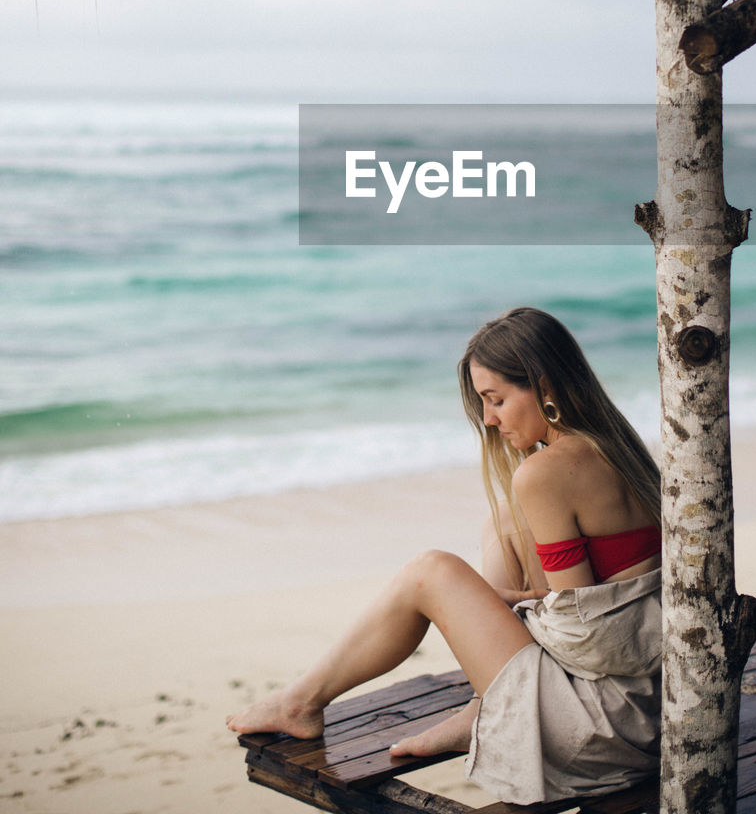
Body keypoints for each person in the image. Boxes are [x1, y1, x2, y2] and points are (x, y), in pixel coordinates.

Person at [226, 307, 662, 803]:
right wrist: (517, 600)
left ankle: (300, 702)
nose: (489, 419)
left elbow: (582, 636)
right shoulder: (616, 447)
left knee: (430, 572)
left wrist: (512, 604)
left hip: (603, 730)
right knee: (501, 519)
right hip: (648, 706)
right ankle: (484, 705)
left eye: (495, 400)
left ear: (544, 387)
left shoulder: (546, 471)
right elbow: (600, 605)